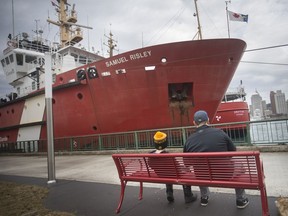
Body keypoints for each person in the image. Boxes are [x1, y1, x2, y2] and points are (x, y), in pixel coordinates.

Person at [183, 110, 249, 209]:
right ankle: (241, 199)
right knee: (239, 164)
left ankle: (204, 197)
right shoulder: (220, 133)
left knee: (199, 168)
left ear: (194, 123)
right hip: (224, 174)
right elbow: (232, 151)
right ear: (208, 121)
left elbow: (186, 163)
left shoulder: (189, 139)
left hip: (202, 176)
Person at [150, 131, 197, 203]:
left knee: (167, 172)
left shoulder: (150, 156)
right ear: (165, 143)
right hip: (173, 174)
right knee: (186, 171)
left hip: (160, 174)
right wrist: (185, 168)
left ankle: (169, 193)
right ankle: (188, 196)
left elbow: (151, 165)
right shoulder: (168, 156)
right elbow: (177, 167)